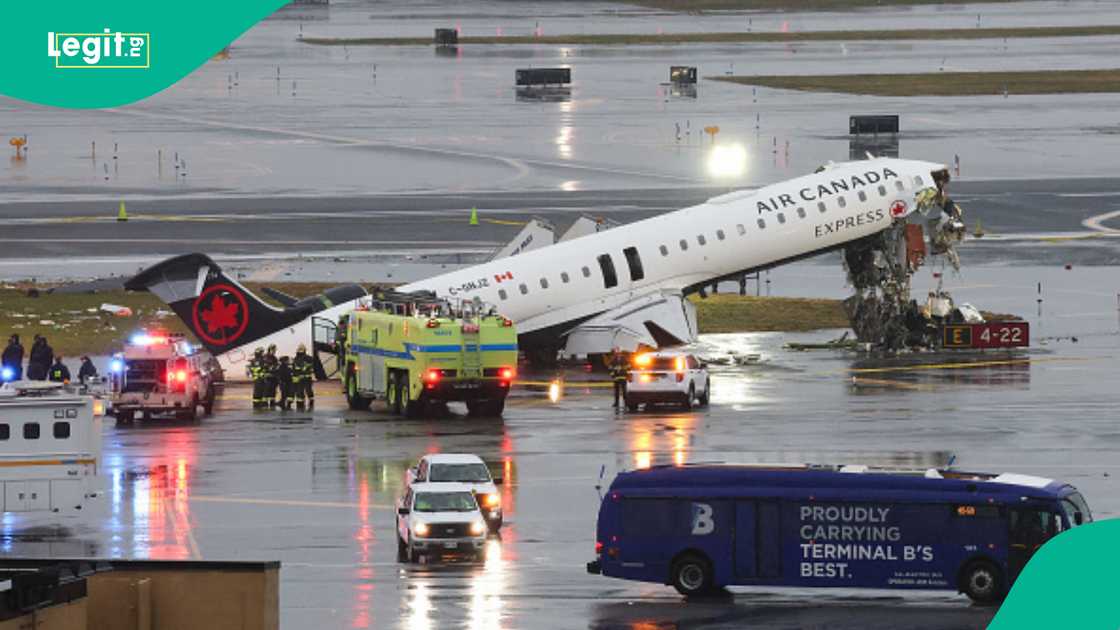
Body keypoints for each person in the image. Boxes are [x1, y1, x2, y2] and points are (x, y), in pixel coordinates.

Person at [292, 344, 315, 410]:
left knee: (308, 390)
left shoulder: (309, 358)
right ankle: (300, 403)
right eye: (300, 350)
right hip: (300, 378)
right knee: (300, 391)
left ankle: (310, 401)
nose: (300, 351)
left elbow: (311, 367)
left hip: (307, 378)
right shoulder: (296, 358)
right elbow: (294, 368)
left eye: (301, 350)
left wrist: (306, 368)